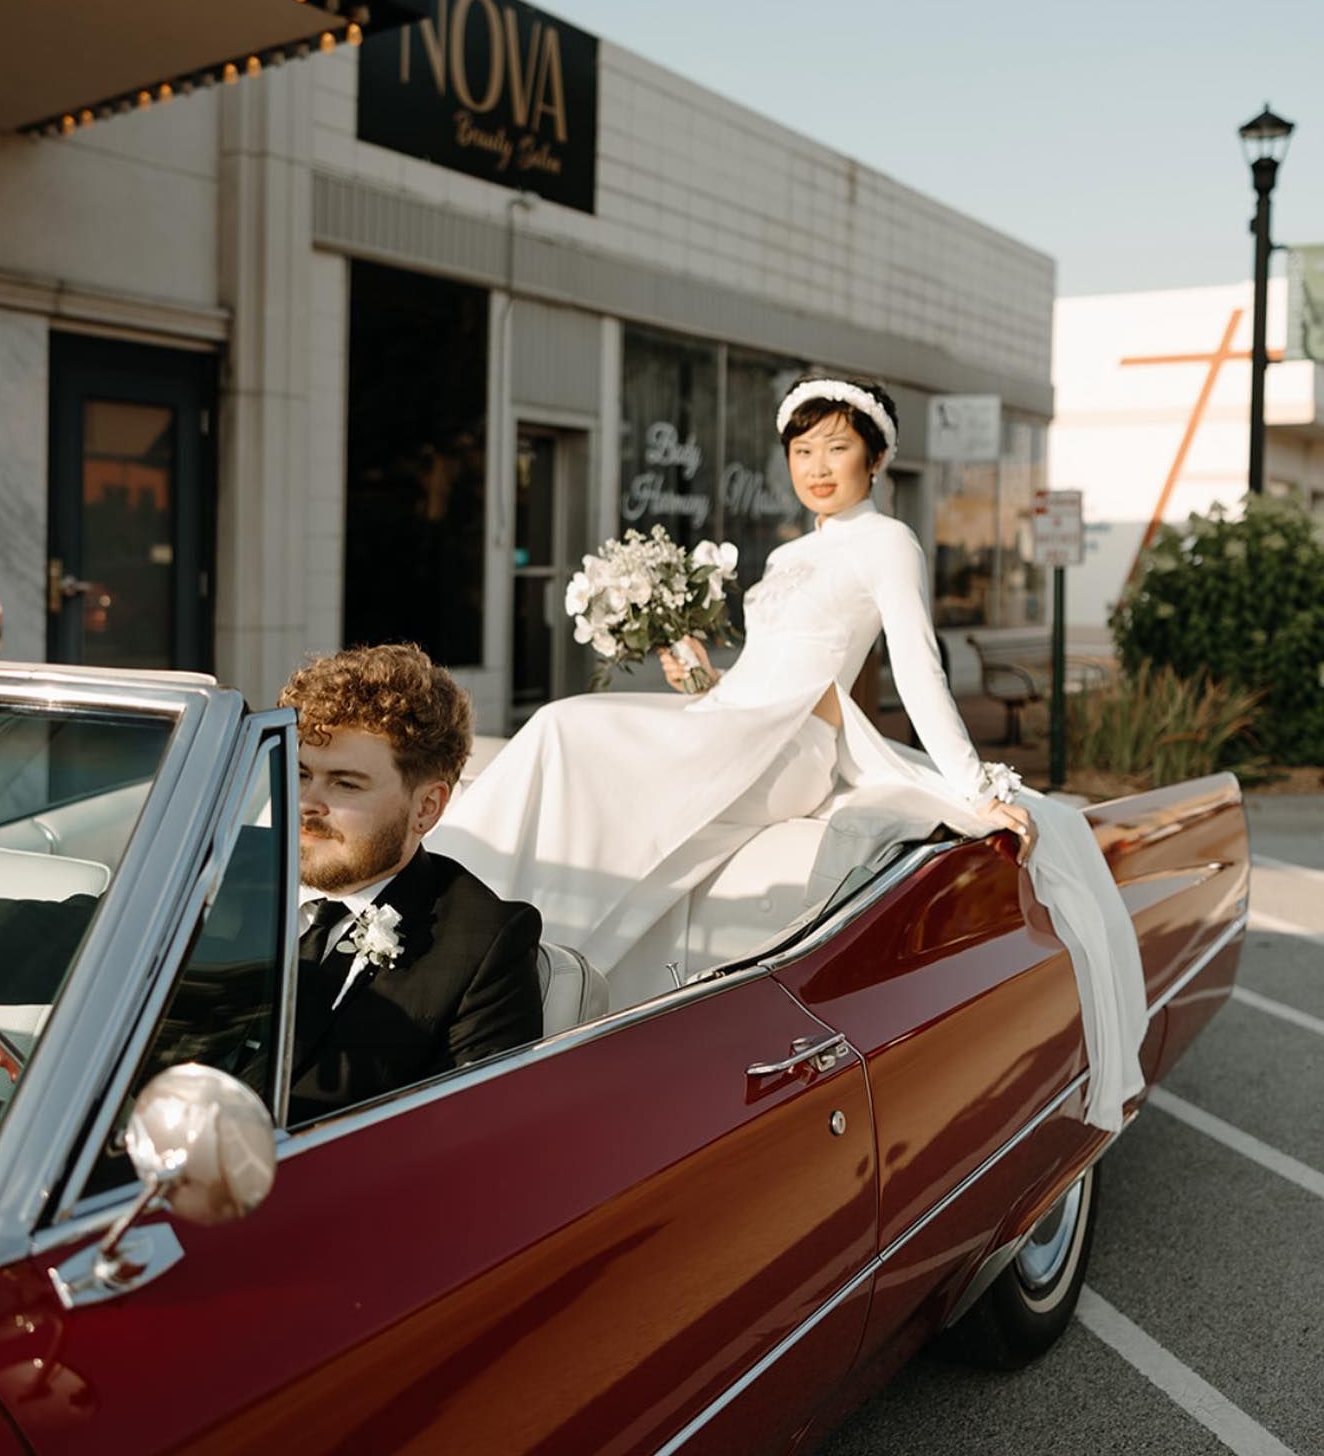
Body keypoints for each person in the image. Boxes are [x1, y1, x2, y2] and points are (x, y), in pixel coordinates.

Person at [434, 372, 1147, 1133]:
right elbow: (755, 679)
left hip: (795, 742)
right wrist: (700, 674)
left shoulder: (888, 542)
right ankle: (468, 932)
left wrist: (975, 788)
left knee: (572, 732)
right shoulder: (786, 557)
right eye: (802, 449)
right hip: (739, 717)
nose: (816, 465)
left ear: (874, 459)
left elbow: (916, 667)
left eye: (836, 447)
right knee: (561, 728)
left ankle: (499, 960)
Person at [0, 644, 543, 1118]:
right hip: (119, 1186)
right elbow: (77, 934)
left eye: (344, 783)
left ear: (426, 806)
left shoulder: (485, 938)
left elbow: (478, 1139)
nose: (307, 804)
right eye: (299, 775)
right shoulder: (227, 864)